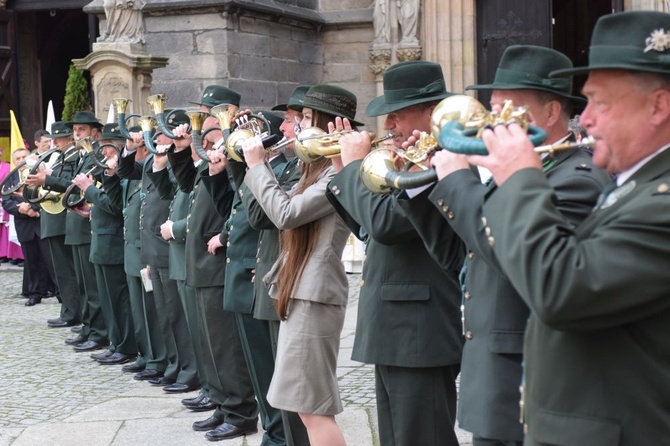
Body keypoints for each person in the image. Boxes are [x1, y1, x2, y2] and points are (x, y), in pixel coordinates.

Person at [464, 11, 670, 444]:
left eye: (601, 102)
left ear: (659, 106)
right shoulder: (637, 186)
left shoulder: (660, 200)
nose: (587, 119)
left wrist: (520, 177)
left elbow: (562, 289)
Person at [398, 46, 612, 446]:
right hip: (490, 375)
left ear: (550, 113)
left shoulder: (576, 178)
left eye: (507, 109)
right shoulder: (513, 171)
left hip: (525, 379)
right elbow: (462, 257)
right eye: (491, 108)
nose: (491, 122)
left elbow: (508, 256)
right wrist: (425, 182)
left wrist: (458, 183)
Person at [327, 61, 464, 446]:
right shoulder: (412, 158)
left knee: (422, 438)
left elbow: (388, 225)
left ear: (432, 112)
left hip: (420, 330)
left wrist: (353, 169)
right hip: (398, 327)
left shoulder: (437, 161)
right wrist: (343, 169)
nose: (388, 126)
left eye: (397, 115)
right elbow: (370, 230)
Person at [240, 84, 359, 446]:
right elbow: (267, 211)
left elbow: (285, 214)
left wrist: (259, 166)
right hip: (303, 291)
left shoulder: (336, 175)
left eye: (307, 118)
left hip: (315, 295)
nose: (299, 126)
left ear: (328, 125)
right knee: (305, 407)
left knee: (314, 409)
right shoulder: (316, 170)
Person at [167, 91, 259, 441]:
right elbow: (185, 183)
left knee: (226, 348)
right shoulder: (210, 167)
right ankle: (223, 404)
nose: (205, 146)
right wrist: (186, 150)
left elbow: (238, 209)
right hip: (199, 265)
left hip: (217, 265)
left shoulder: (232, 162)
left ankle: (239, 412)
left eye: (210, 135)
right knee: (210, 345)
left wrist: (223, 235)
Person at [24, 121, 81, 328]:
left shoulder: (74, 157)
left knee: (69, 270)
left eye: (59, 138)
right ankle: (68, 309)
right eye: (53, 139)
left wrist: (46, 178)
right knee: (62, 271)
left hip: (63, 219)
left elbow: (70, 183)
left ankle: (73, 311)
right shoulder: (57, 158)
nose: (55, 143)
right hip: (52, 219)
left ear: (70, 138)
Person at [2, 148, 54, 306]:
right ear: (14, 162)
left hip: (41, 222)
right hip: (24, 225)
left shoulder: (40, 174)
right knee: (31, 262)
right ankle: (34, 293)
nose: (21, 160)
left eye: (24, 156)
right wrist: (20, 209)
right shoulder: (11, 178)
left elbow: (48, 195)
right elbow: (6, 202)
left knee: (50, 260)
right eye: (18, 158)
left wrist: (33, 209)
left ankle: (59, 292)